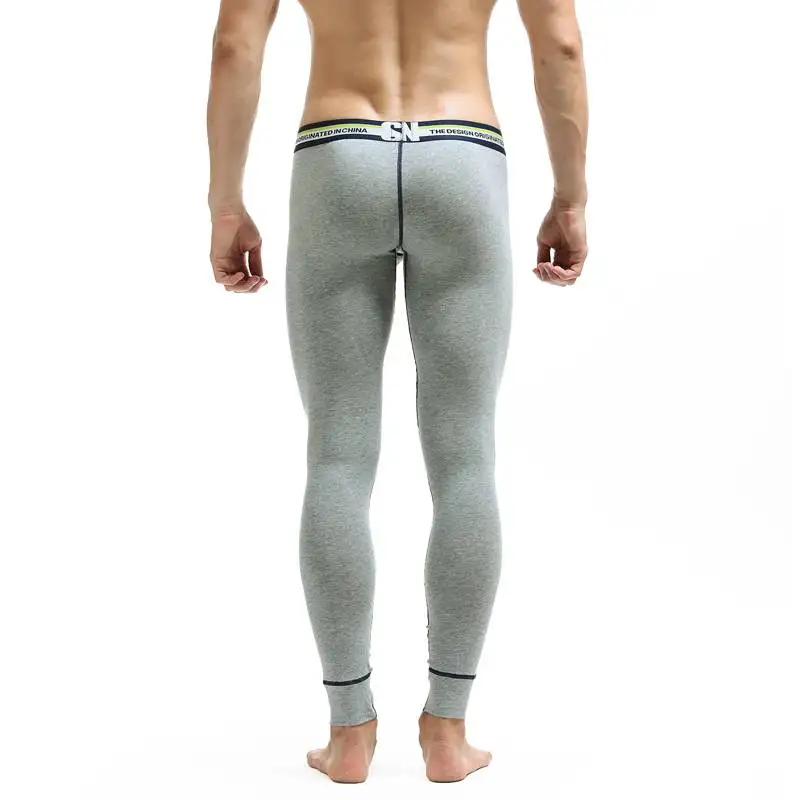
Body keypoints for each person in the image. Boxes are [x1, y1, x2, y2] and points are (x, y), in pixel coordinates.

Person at [206, 0, 588, 784]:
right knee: (466, 460)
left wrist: (225, 202)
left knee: (337, 459)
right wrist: (571, 195)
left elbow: (234, 46)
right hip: (463, 155)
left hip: (337, 154)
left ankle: (349, 732)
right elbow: (560, 44)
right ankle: (447, 731)